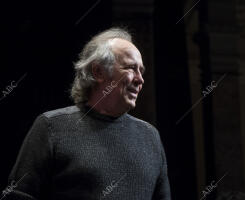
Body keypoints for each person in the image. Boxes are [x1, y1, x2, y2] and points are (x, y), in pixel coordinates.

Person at [6, 27, 171, 200]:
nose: (140, 79)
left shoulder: (150, 137)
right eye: (130, 68)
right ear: (98, 72)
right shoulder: (51, 127)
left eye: (141, 70)